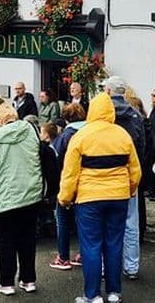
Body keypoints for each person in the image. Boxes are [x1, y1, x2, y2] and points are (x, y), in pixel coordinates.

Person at [59, 92, 142, 303]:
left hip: (89, 198)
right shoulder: (122, 135)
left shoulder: (82, 136)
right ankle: (114, 292)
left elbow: (70, 174)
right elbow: (135, 171)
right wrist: (129, 190)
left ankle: (92, 295)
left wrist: (65, 198)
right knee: (114, 244)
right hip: (118, 197)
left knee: (91, 246)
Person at [0, 103, 42, 296]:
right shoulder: (30, 130)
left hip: (6, 196)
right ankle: (29, 280)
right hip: (31, 193)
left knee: (6, 241)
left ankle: (6, 283)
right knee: (28, 239)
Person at [103, 76, 146, 281]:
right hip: (129, 174)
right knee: (130, 223)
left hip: (105, 175)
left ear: (109, 92)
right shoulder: (136, 116)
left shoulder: (102, 116)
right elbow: (143, 148)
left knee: (105, 224)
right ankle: (131, 267)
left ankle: (105, 267)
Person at [50, 103, 88, 270]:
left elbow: (56, 160)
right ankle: (82, 254)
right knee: (83, 222)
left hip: (67, 183)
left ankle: (63, 257)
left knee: (63, 221)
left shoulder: (65, 136)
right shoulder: (89, 132)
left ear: (65, 118)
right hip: (86, 184)